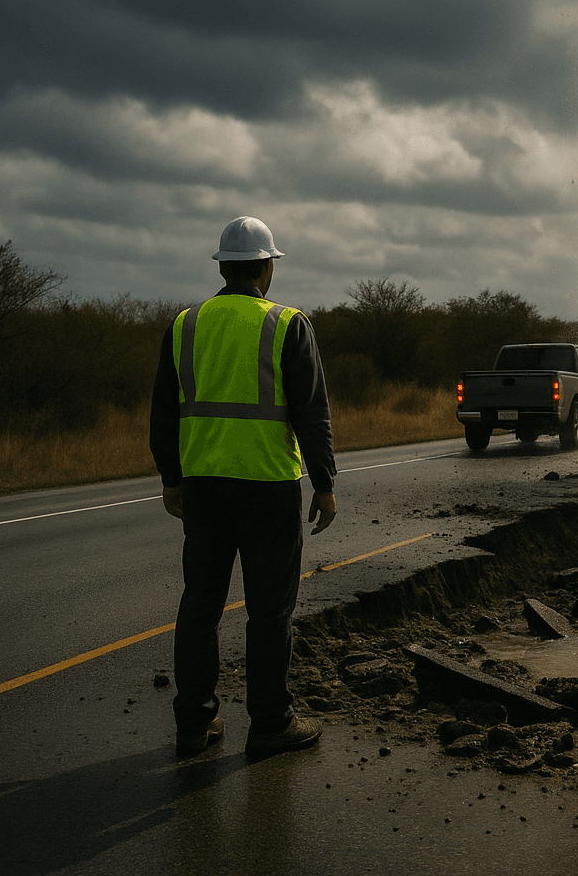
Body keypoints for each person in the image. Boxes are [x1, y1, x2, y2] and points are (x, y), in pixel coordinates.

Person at [150, 216, 338, 758]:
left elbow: (164, 412)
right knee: (270, 610)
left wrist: (172, 479)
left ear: (223, 266)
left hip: (204, 487)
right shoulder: (286, 324)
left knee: (200, 606)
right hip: (267, 486)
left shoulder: (186, 325)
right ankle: (271, 724)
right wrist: (324, 484)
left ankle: (194, 724)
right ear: (264, 268)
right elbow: (312, 411)